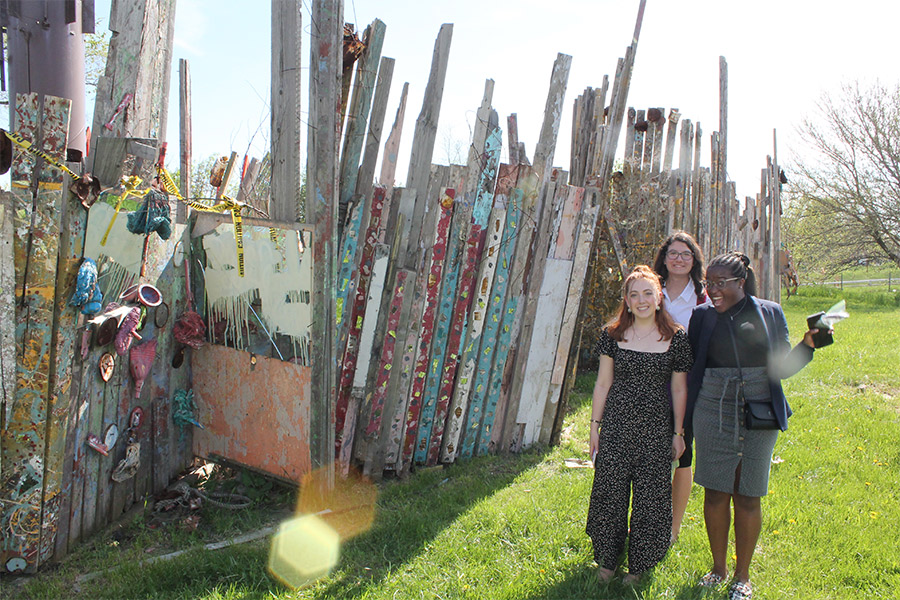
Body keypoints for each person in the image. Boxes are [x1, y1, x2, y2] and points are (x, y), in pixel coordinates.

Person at [687, 252, 822, 600]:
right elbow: (691, 367)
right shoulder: (702, 316)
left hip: (759, 409)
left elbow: (782, 368)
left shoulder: (769, 312)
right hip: (712, 407)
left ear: (741, 282)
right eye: (708, 283)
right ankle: (718, 569)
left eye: (721, 283)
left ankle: (742, 576)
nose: (712, 290)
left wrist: (807, 346)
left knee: (748, 493)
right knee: (715, 490)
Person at [586, 265, 693, 584]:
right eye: (634, 295)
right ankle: (607, 562)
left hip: (656, 429)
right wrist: (594, 427)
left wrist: (678, 433)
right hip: (617, 427)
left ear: (659, 298)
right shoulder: (612, 334)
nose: (642, 300)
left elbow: (679, 389)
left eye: (648, 293)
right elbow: (603, 383)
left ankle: (638, 566)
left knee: (650, 498)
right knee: (610, 493)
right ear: (627, 301)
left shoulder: (676, 337)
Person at [652, 231, 708, 544]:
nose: (679, 259)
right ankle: (648, 521)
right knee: (649, 454)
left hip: (685, 386)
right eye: (673, 253)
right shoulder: (650, 291)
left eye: (686, 254)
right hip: (649, 383)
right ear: (664, 258)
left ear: (694, 260)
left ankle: (672, 528)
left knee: (682, 453)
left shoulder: (702, 298)